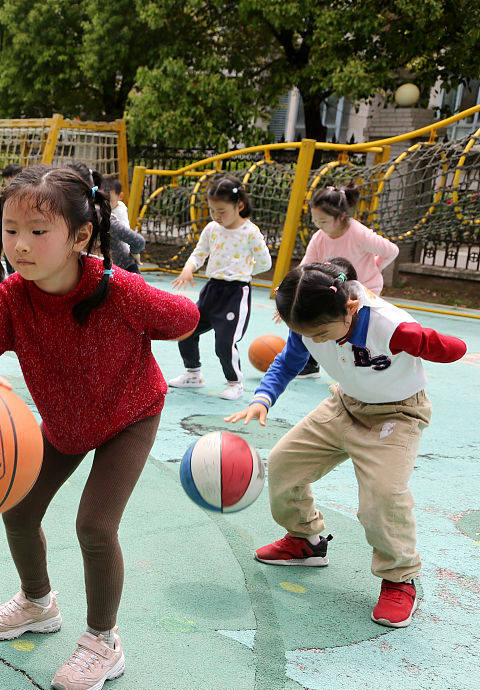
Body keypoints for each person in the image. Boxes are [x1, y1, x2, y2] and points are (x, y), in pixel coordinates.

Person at [0, 163, 200, 690]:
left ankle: (104, 642)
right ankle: (38, 603)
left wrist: (146, 299)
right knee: (19, 508)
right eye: (11, 231)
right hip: (65, 422)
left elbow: (185, 318)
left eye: (38, 232)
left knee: (94, 525)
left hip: (129, 415)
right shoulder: (13, 297)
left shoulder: (119, 290)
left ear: (80, 236)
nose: (21, 244)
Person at [226, 258, 466, 628]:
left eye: (321, 334)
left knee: (383, 496)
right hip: (345, 403)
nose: (316, 341)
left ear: (350, 307)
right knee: (285, 463)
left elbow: (455, 349)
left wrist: (423, 341)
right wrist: (262, 398)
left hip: (397, 414)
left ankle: (400, 577)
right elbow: (289, 360)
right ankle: (307, 540)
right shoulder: (309, 318)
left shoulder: (389, 325)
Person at [167, 174, 271, 400]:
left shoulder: (250, 232)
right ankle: (193, 373)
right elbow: (200, 253)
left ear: (239, 205)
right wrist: (188, 268)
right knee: (187, 329)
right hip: (212, 290)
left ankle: (235, 383)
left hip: (236, 293)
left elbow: (265, 262)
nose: (216, 216)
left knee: (225, 342)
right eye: (213, 210)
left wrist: (244, 271)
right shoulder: (212, 229)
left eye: (222, 211)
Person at [294, 183, 401, 380]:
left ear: (341, 216)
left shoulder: (359, 233)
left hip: (364, 289)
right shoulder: (320, 237)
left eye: (323, 220)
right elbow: (305, 267)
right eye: (314, 219)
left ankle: (370, 365)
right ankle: (310, 364)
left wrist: (376, 267)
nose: (318, 224)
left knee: (356, 329)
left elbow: (391, 250)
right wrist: (291, 294)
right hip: (337, 289)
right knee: (314, 318)